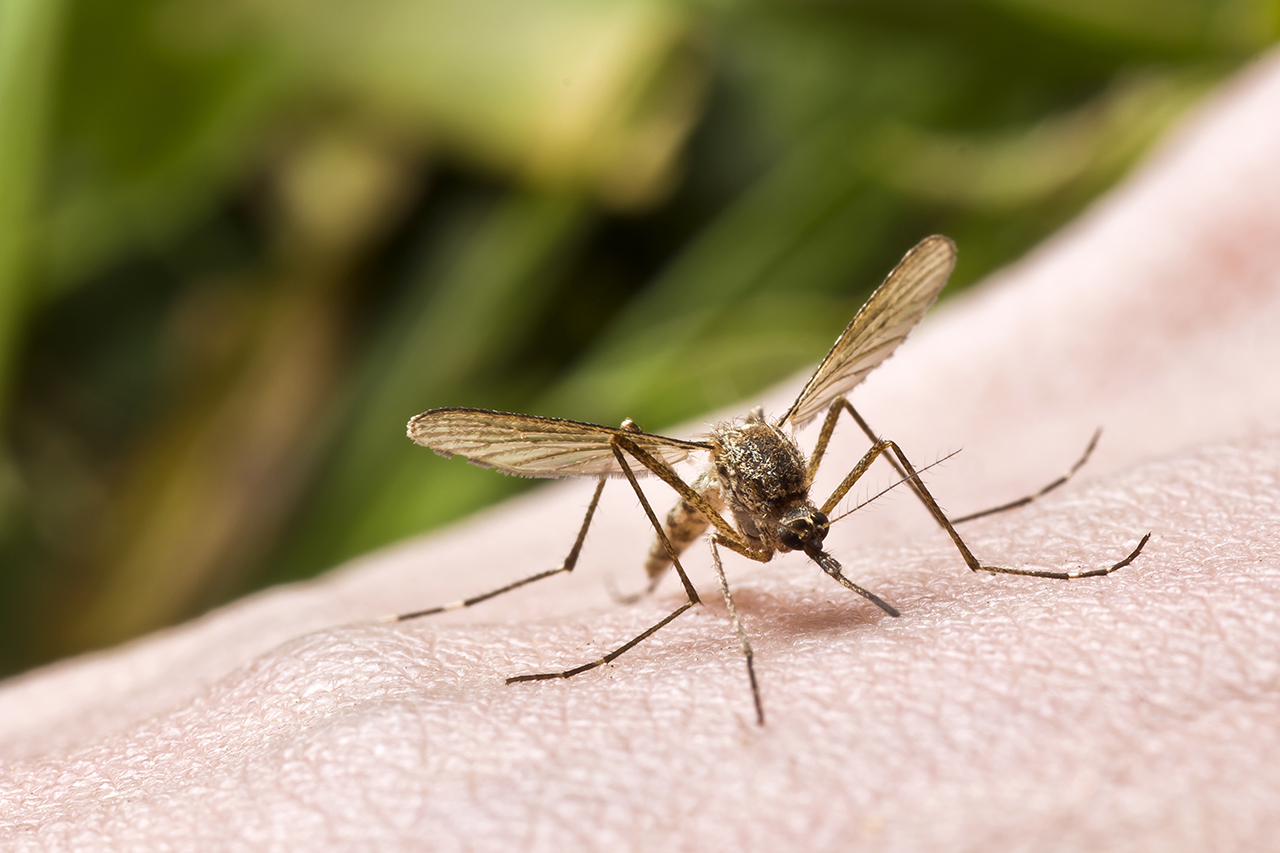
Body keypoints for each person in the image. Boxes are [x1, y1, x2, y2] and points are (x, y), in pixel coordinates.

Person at [4, 48, 1280, 852]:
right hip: (685, 514)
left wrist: (993, 552)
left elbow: (876, 357)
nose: (809, 536)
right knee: (624, 447)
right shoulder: (728, 516)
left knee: (858, 416)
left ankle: (1000, 560)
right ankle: (586, 607)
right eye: (796, 523)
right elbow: (715, 527)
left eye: (801, 522)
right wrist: (688, 599)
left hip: (760, 460)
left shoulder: (808, 462)